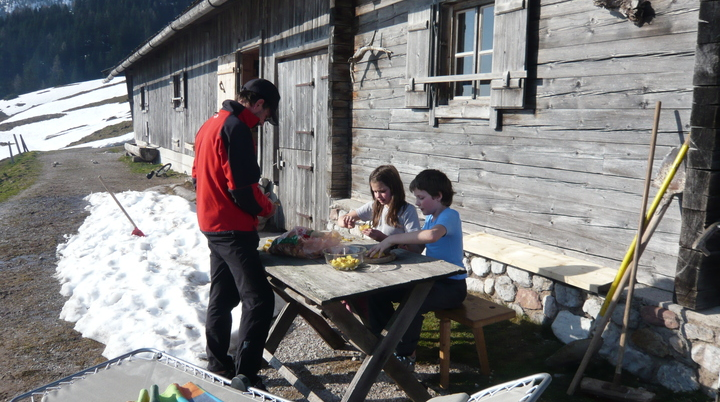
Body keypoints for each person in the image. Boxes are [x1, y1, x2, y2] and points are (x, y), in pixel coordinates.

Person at [192, 78, 280, 390]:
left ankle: (218, 363)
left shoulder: (210, 124)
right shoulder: (237, 129)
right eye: (265, 116)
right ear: (258, 104)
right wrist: (266, 207)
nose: (262, 122)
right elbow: (242, 189)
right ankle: (247, 375)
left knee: (223, 294)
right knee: (259, 299)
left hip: (211, 222)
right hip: (232, 228)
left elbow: (196, 176)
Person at [366, 169, 467, 371]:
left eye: (421, 198)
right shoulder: (431, 218)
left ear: (438, 196)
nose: (418, 203)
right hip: (433, 280)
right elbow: (418, 248)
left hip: (452, 286)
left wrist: (391, 239)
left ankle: (406, 355)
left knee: (412, 303)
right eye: (417, 198)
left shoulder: (449, 216)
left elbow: (431, 237)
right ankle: (383, 340)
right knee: (376, 293)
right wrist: (389, 243)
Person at [337, 165, 421, 249]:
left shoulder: (407, 211)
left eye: (382, 191)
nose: (378, 196)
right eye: (375, 191)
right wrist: (345, 222)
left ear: (394, 188)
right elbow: (341, 220)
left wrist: (383, 238)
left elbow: (415, 248)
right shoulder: (374, 206)